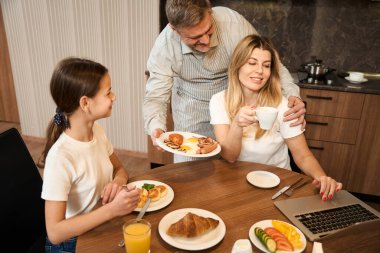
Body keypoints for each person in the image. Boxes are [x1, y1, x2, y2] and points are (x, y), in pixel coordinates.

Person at [143, 0, 306, 163]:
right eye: (196, 37)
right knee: (191, 170)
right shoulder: (164, 47)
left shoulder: (232, 23)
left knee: (228, 168)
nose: (206, 41)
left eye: (208, 30)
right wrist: (156, 127)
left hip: (230, 104)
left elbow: (269, 59)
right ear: (175, 30)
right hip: (190, 112)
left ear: (210, 13)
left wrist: (292, 94)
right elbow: (155, 97)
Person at [209, 35, 342, 200]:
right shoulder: (219, 101)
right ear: (237, 65)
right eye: (252, 63)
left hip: (278, 185)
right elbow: (229, 157)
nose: (259, 71)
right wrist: (237, 124)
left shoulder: (283, 105)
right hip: (236, 182)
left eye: (266, 65)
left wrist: (322, 177)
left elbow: (302, 155)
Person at [40, 58, 139, 252]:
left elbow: (120, 169)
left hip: (99, 224)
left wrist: (117, 182)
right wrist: (111, 210)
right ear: (85, 103)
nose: (114, 97)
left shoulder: (97, 132)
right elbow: (54, 232)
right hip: (72, 243)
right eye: (108, 92)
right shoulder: (60, 158)